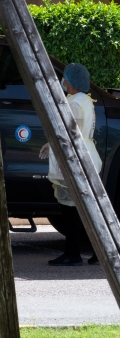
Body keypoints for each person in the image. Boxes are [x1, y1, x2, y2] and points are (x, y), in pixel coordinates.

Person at [40, 62, 102, 266]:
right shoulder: (83, 100)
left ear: (72, 81)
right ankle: (97, 252)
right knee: (86, 208)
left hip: (75, 157)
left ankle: (72, 253)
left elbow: (68, 131)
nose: (63, 80)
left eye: (65, 77)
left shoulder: (74, 102)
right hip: (87, 154)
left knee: (71, 208)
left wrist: (51, 144)